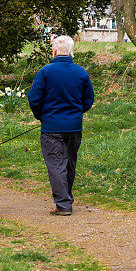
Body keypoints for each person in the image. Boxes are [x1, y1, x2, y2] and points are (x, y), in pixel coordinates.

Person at [27, 35, 94, 215]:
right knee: (69, 163)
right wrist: (76, 113)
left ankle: (63, 205)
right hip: (74, 126)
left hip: (51, 127)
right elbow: (88, 100)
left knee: (56, 164)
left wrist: (41, 115)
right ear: (71, 51)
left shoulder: (46, 72)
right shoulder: (81, 73)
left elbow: (34, 98)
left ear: (55, 51)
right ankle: (65, 200)